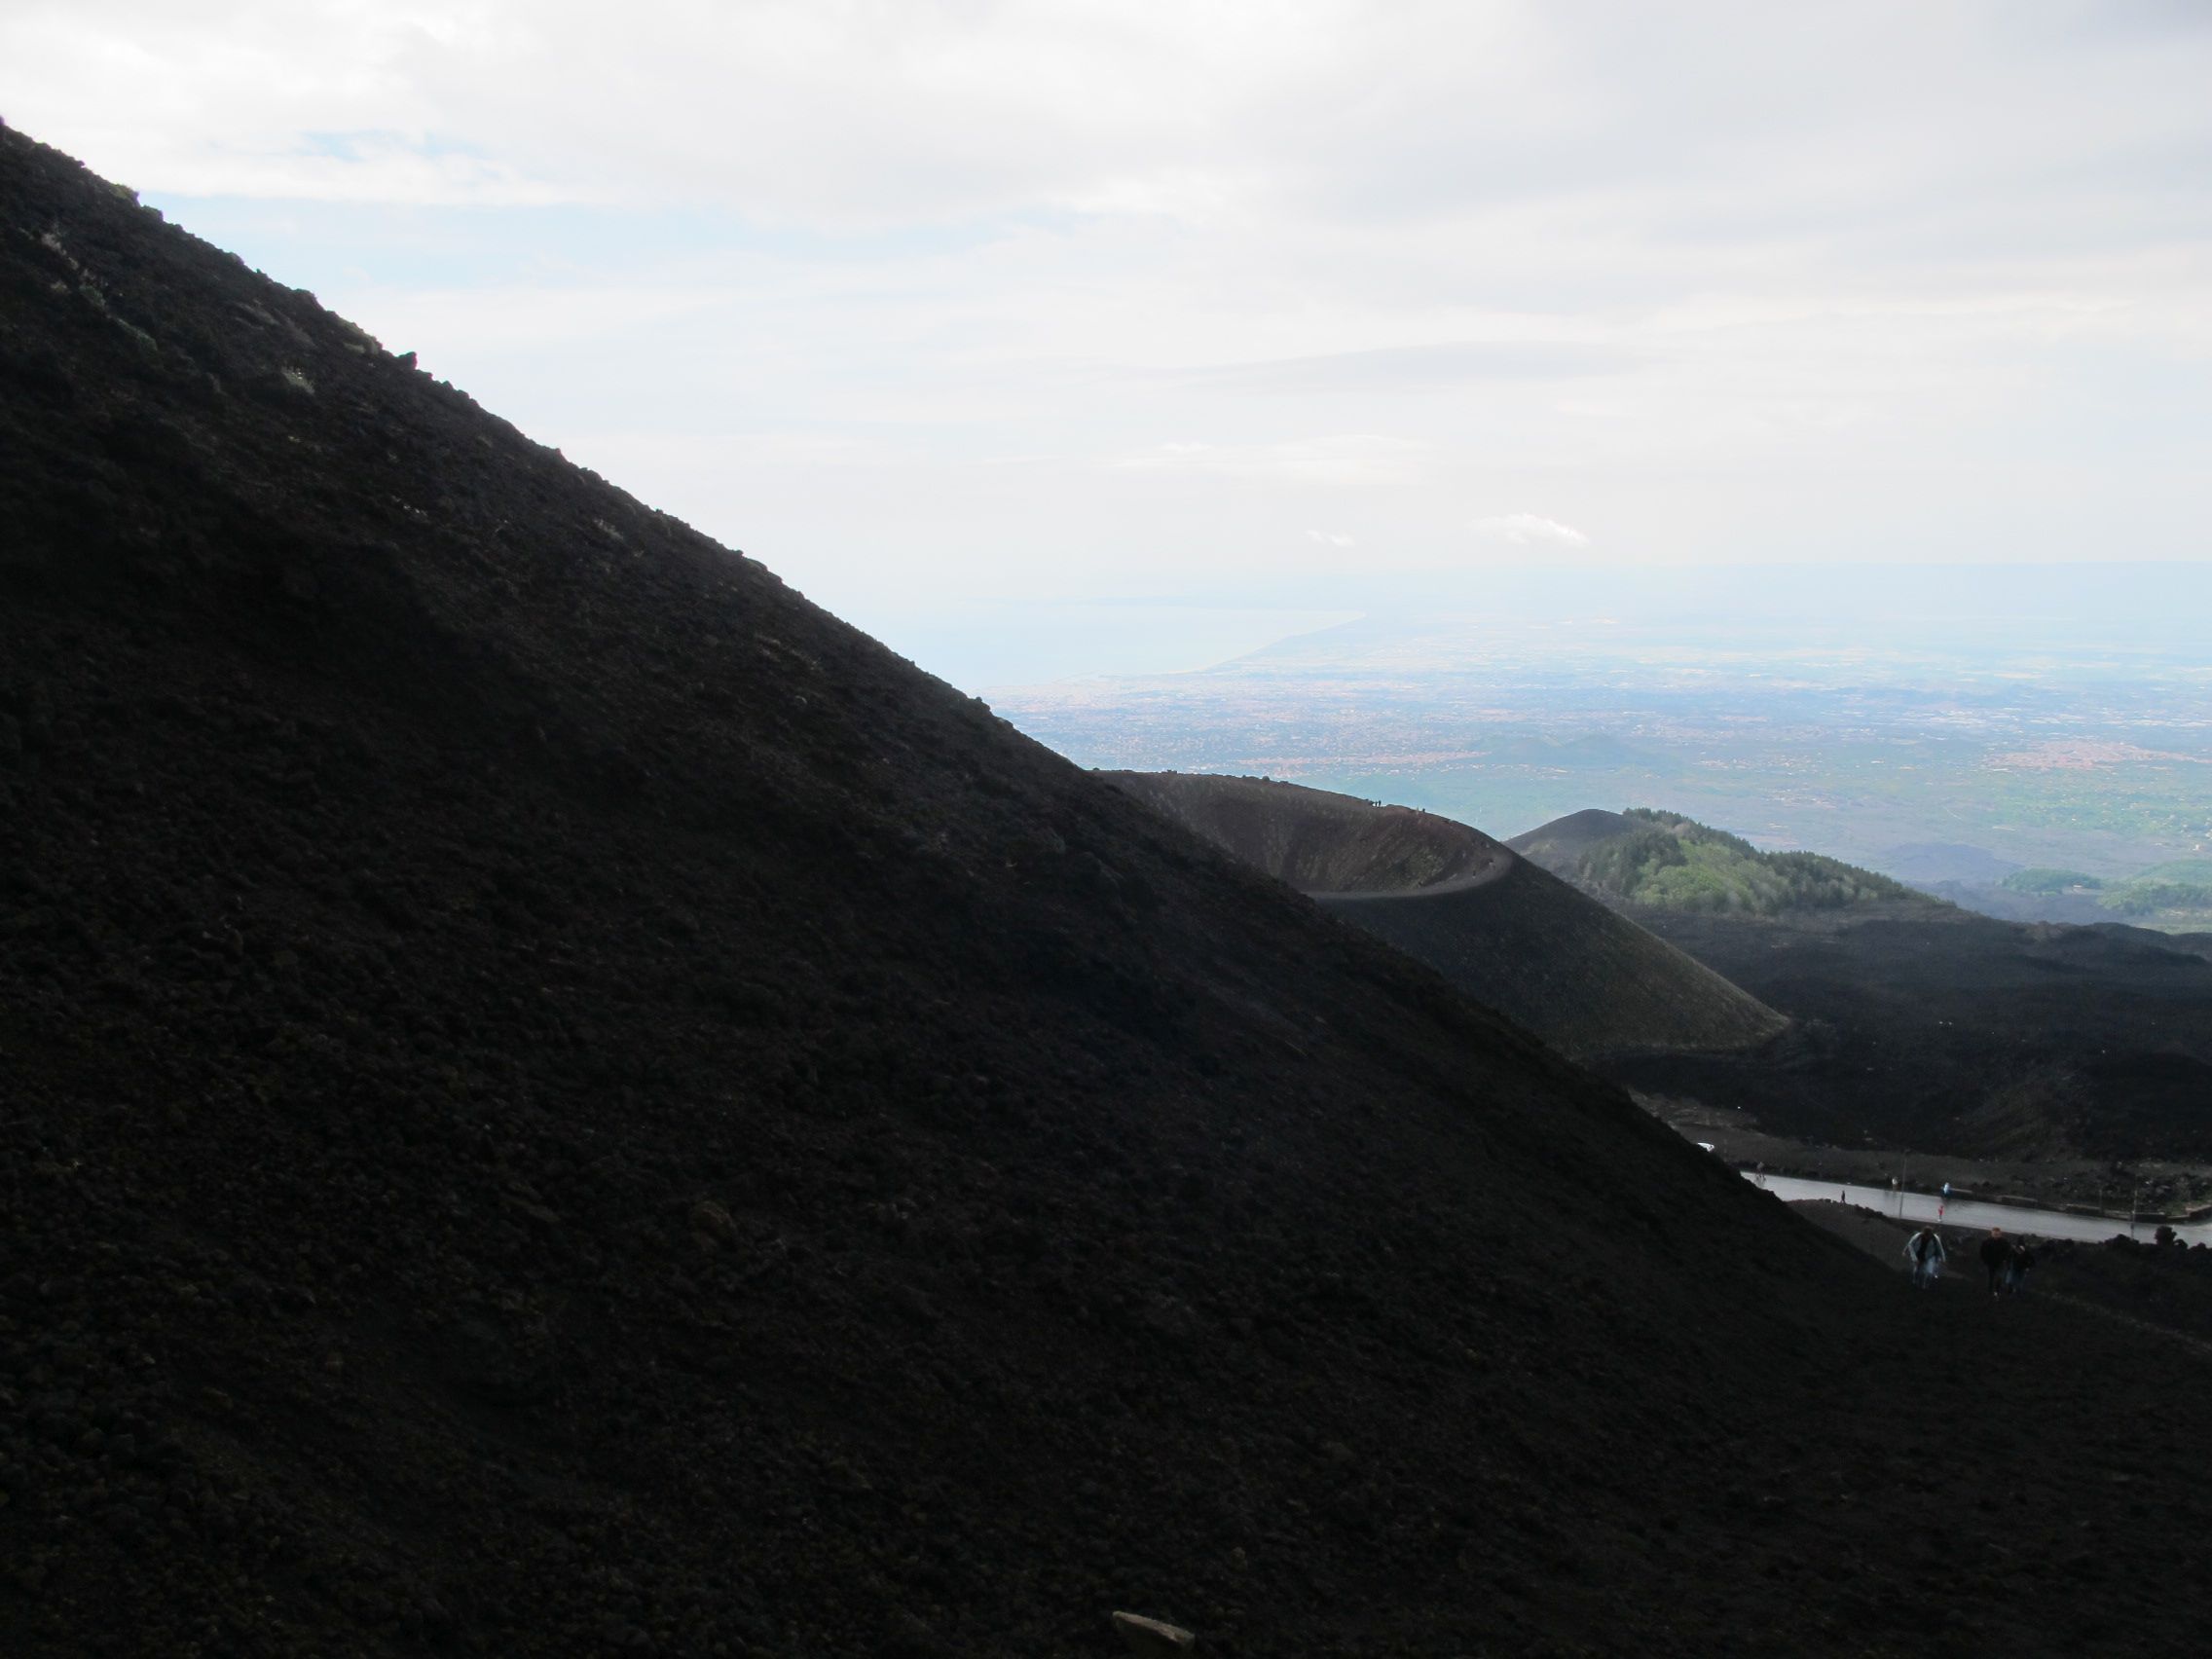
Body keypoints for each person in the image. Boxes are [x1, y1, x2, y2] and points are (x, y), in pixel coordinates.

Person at [1903, 1225, 1947, 1289]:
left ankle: (1925, 1286)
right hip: (1919, 1254)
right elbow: (1910, 1244)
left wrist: (1943, 1259)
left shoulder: (1935, 1239)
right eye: (1925, 1235)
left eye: (1928, 1236)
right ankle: (1915, 1282)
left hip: (1930, 1256)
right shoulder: (1917, 1236)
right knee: (1917, 1270)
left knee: (1929, 1272)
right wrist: (1910, 1255)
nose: (1927, 1237)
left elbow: (1940, 1249)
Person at [1978, 1228, 2009, 1296]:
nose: (1996, 1235)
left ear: (2000, 1234)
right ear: (1991, 1233)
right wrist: (1985, 1261)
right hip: (1990, 1263)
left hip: (2001, 1263)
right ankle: (1989, 1290)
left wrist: (2006, 1260)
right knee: (1990, 1278)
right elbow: (1982, 1252)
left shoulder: (2005, 1242)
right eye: (1994, 1234)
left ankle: (1997, 1291)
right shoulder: (1986, 1241)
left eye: (1997, 1234)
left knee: (1999, 1278)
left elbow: (2008, 1252)